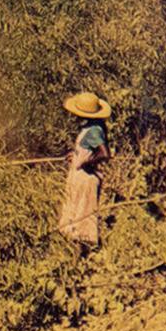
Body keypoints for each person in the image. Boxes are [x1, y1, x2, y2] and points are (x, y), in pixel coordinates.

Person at [58, 91, 112, 248]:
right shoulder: (92, 127)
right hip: (79, 175)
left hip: (84, 178)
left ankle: (81, 252)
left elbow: (104, 153)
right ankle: (74, 249)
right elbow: (88, 149)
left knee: (82, 215)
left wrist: (86, 163)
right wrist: (75, 155)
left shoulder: (94, 130)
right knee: (76, 212)